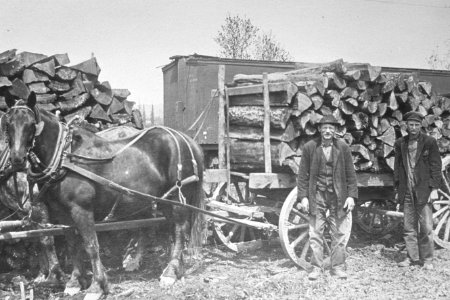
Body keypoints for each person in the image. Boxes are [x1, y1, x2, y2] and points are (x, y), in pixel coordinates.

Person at [297, 115, 358, 280]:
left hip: (338, 196)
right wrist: (303, 197)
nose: (328, 131)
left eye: (331, 128)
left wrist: (351, 196)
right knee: (316, 232)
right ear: (319, 130)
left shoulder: (342, 147)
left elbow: (351, 175)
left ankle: (337, 267)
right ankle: (316, 268)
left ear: (336, 130)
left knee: (338, 233)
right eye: (324, 128)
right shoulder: (310, 147)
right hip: (317, 196)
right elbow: (302, 176)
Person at [394, 111, 443, 270]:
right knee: (409, 228)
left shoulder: (429, 142)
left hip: (423, 190)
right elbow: (398, 168)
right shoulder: (400, 143)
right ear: (406, 125)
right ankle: (412, 257)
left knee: (427, 228)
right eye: (410, 124)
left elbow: (436, 166)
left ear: (421, 125)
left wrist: (434, 188)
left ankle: (427, 259)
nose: (413, 128)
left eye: (416, 125)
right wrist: (398, 188)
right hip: (407, 191)